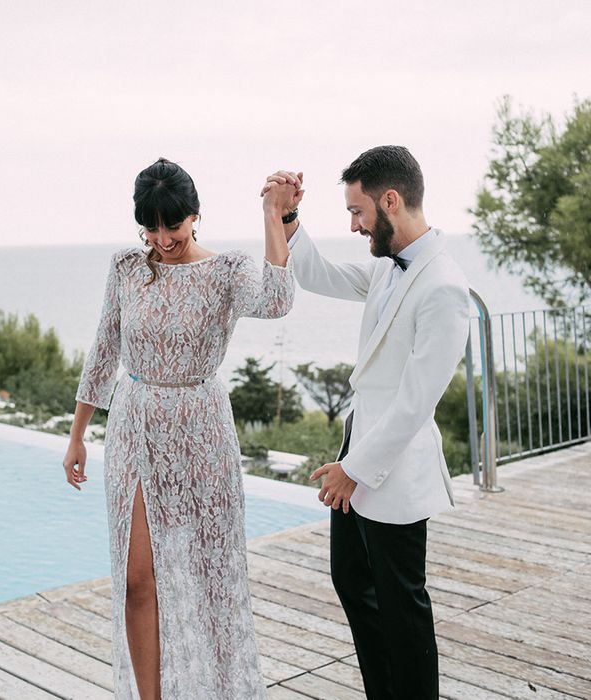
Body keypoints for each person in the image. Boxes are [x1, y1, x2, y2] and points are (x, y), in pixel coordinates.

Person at [63, 157, 300, 699]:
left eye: (172, 224)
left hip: (201, 429)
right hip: (135, 425)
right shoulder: (126, 266)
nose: (162, 238)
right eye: (150, 226)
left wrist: (273, 215)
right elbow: (105, 348)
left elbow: (278, 299)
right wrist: (78, 434)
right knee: (136, 579)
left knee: (209, 578)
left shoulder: (227, 271)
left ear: (195, 215)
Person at [263, 146, 470, 700]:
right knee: (353, 583)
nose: (353, 225)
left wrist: (353, 470)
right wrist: (287, 218)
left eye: (358, 212)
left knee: (403, 603)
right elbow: (319, 274)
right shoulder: (387, 266)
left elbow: (414, 403)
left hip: (393, 469)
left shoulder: (444, 287)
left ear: (392, 201)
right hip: (358, 445)